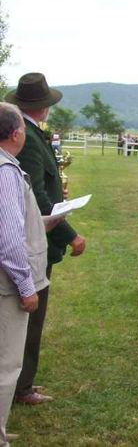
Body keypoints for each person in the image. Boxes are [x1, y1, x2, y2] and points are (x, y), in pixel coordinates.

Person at [4, 72, 86, 406]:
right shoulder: (27, 140)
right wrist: (71, 235)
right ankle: (20, 386)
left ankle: (23, 380)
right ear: (42, 107)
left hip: (34, 237)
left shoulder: (32, 135)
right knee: (29, 316)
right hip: (32, 241)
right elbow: (36, 196)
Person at [0, 103, 63, 444]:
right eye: (22, 129)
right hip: (6, 286)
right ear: (14, 134)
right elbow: (9, 240)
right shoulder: (6, 171)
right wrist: (27, 287)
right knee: (7, 365)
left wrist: (43, 223)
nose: (25, 133)